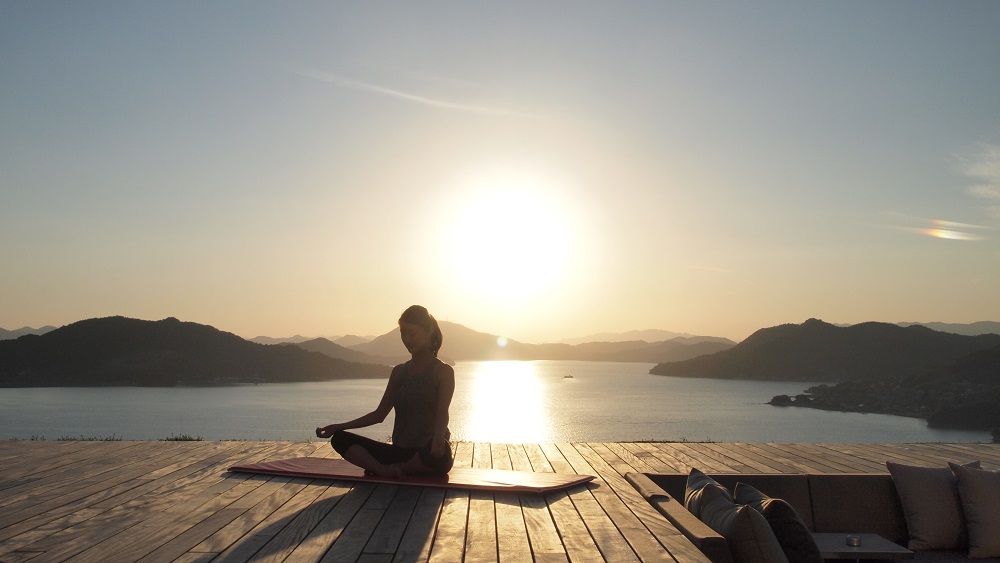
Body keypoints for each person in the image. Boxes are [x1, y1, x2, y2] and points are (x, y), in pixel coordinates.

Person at [316, 305, 454, 478]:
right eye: (403, 333)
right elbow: (379, 415)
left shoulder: (443, 371)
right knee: (339, 439)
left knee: (442, 454)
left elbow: (443, 413)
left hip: (430, 451)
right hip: (398, 452)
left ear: (428, 332)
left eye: (412, 333)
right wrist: (339, 427)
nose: (407, 339)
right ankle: (388, 469)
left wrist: (438, 439)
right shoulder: (398, 372)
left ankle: (398, 468)